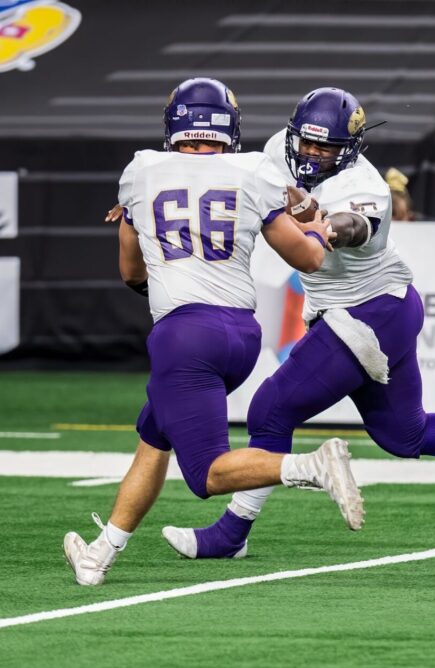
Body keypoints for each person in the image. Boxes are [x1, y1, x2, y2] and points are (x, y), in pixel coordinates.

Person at [160, 87, 435, 562]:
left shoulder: (365, 188)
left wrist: (324, 225)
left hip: (368, 313)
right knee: (403, 433)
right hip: (381, 308)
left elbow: (354, 225)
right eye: (305, 143)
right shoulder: (275, 152)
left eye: (324, 147)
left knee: (271, 408)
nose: (311, 154)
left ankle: (231, 534)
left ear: (349, 148)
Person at [64, 78, 365, 587]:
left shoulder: (140, 171)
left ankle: (309, 466)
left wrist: (151, 257)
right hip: (240, 335)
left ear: (173, 123)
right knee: (154, 436)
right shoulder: (254, 170)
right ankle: (100, 553)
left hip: (184, 333)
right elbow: (309, 258)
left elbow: (131, 271)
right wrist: (316, 229)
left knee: (205, 475)